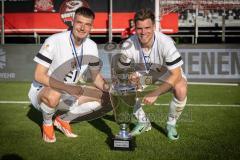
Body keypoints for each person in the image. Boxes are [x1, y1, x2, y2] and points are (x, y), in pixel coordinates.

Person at [28, 7, 109, 143]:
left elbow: (96, 78)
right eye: (79, 23)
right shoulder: (54, 40)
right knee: (54, 93)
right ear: (72, 22)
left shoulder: (92, 46)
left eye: (87, 24)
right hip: (43, 91)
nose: (83, 28)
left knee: (103, 98)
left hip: (68, 92)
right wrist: (68, 88)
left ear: (91, 27)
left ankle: (63, 120)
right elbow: (39, 75)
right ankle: (47, 123)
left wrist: (109, 89)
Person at [118, 8, 187, 140]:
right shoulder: (128, 44)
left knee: (181, 88)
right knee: (124, 88)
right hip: (147, 74)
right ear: (135, 28)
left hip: (166, 71)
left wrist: (155, 93)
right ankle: (143, 122)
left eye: (147, 27)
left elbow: (176, 75)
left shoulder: (165, 43)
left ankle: (171, 125)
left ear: (154, 27)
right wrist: (131, 76)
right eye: (139, 28)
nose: (143, 32)